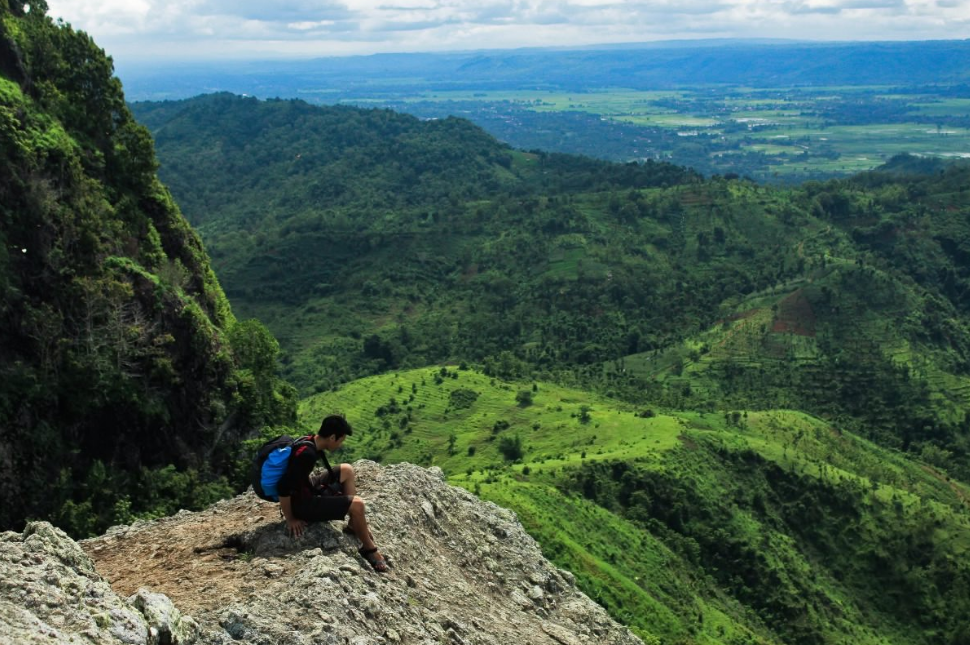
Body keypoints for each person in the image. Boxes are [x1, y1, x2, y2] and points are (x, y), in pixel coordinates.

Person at [276, 415, 388, 572]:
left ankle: (353, 525)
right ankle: (370, 549)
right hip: (302, 505)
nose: (340, 445)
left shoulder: (309, 440)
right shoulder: (307, 455)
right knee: (357, 504)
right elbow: (283, 487)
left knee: (347, 470)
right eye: (340, 440)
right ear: (332, 437)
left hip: (305, 490)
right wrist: (291, 518)